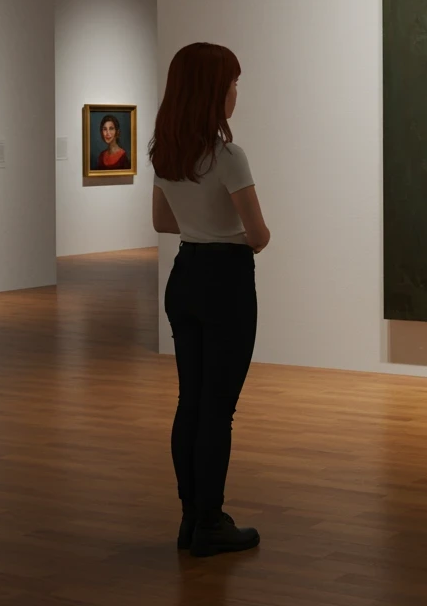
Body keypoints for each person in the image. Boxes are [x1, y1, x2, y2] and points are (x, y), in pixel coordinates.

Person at [150, 42, 270, 557]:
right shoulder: (228, 156)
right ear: (213, 90)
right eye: (232, 83)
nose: (236, 92)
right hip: (226, 281)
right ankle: (211, 521)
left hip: (185, 275)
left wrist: (201, 227)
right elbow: (259, 233)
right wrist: (235, 237)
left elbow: (161, 222)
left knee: (191, 402)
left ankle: (189, 518)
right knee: (218, 410)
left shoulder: (168, 150)